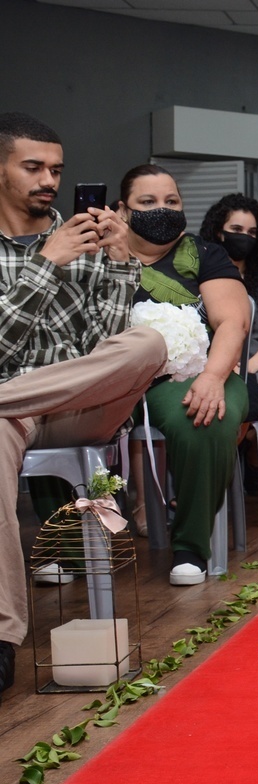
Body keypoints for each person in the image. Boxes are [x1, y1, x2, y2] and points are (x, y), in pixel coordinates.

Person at [0, 112, 167, 702]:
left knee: (148, 343)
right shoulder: (53, 246)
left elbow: (107, 347)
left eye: (57, 169)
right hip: (13, 411)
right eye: (34, 167)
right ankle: (3, 638)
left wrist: (120, 263)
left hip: (83, 403)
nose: (50, 180)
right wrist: (47, 263)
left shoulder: (90, 239)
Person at [119, 165, 250, 586]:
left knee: (205, 416)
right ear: (122, 210)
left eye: (171, 201)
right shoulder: (98, 252)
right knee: (49, 414)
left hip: (191, 372)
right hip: (115, 378)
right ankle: (65, 545)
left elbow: (231, 322)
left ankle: (190, 546)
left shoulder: (204, 254)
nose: (162, 209)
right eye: (148, 202)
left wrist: (212, 376)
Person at [199, 194, 258, 424]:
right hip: (215, 363)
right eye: (237, 229)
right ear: (219, 232)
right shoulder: (201, 275)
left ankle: (244, 442)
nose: (245, 237)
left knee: (235, 405)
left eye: (252, 232)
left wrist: (248, 368)